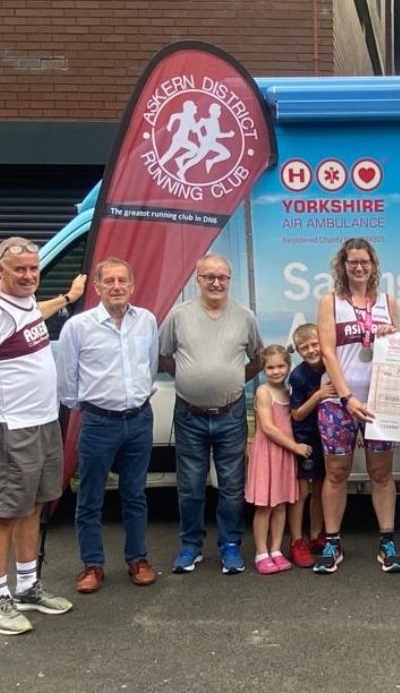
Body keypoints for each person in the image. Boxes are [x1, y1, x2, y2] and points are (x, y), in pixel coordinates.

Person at [0, 236, 81, 636]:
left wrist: (66, 297)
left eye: (33, 268)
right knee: (4, 512)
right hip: (10, 426)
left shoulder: (22, 303)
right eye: (19, 270)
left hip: (41, 421)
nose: (28, 276)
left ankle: (27, 587)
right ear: (0, 271)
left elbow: (33, 315)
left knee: (35, 505)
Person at [57, 257, 159, 594]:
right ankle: (92, 565)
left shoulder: (146, 321)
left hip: (140, 419)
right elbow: (67, 382)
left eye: (122, 281)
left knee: (134, 495)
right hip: (99, 422)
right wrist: (91, 407)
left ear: (132, 286)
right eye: (109, 281)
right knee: (90, 498)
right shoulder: (78, 327)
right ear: (97, 287)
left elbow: (151, 364)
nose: (116, 287)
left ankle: (138, 559)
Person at [159, 253, 262, 575]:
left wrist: (230, 383)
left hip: (231, 415)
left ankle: (230, 545)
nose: (216, 283)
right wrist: (192, 381)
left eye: (222, 277)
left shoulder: (245, 317)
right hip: (190, 415)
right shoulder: (178, 315)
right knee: (190, 485)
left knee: (231, 486)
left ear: (229, 280)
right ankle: (191, 546)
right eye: (209, 277)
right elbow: (164, 357)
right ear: (197, 279)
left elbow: (258, 359)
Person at [313, 237, 400, 575]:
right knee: (337, 473)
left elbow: (398, 350)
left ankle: (387, 542)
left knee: (382, 473)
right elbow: (327, 352)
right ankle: (332, 543)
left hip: (379, 402)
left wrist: (391, 334)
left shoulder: (387, 301)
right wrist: (347, 396)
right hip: (340, 402)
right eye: (352, 261)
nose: (358, 267)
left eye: (364, 261)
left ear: (373, 264)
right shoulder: (330, 302)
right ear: (343, 265)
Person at [247, 344, 308, 574]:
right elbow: (269, 428)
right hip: (268, 453)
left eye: (281, 366)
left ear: (288, 366)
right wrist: (295, 446)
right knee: (265, 505)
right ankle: (261, 552)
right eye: (270, 367)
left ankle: (276, 549)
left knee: (281, 504)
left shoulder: (288, 392)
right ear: (263, 369)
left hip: (284, 455)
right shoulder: (263, 392)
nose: (276, 371)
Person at [287, 323, 331, 567]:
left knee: (321, 489)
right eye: (305, 348)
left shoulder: (331, 366)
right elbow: (297, 415)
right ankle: (296, 541)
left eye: (315, 344)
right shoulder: (298, 375)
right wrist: (318, 395)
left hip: (327, 437)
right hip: (306, 440)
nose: (312, 350)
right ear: (298, 351)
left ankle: (316, 536)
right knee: (302, 492)